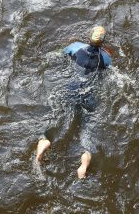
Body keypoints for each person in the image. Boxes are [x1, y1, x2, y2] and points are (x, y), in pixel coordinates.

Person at [36, 26, 112, 178]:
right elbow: (109, 69)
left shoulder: (76, 48)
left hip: (70, 89)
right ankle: (83, 165)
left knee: (55, 116)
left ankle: (44, 140)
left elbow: (59, 54)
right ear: (102, 43)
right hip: (89, 95)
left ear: (89, 38)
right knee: (87, 130)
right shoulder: (105, 58)